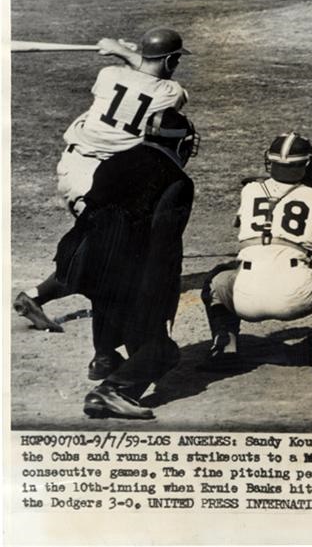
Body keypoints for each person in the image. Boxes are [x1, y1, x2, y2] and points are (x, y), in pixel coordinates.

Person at [23, 108, 198, 420]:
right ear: (180, 144)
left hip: (81, 257)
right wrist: (162, 298)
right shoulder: (178, 182)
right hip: (128, 266)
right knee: (163, 350)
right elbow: (164, 246)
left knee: (110, 301)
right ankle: (113, 391)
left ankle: (104, 358)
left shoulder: (115, 159)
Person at [13, 26, 190, 332]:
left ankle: (39, 297)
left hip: (72, 167)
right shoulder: (170, 93)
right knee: (109, 251)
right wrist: (124, 52)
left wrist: (120, 52)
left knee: (104, 247)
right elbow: (157, 83)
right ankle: (47, 302)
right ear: (171, 60)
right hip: (103, 180)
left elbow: (137, 78)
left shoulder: (109, 75)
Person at [201, 132, 312, 374]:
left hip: (243, 299)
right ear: (308, 165)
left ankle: (225, 345)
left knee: (217, 277)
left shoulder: (250, 190)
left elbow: (247, 223)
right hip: (296, 297)